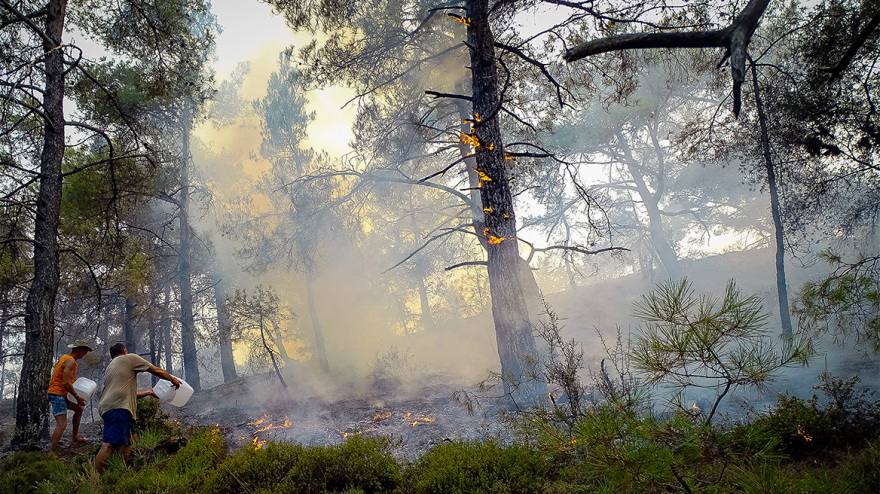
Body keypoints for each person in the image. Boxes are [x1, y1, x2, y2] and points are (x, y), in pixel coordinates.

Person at [94, 343, 180, 474]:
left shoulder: (111, 367)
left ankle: (119, 472)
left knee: (130, 440)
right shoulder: (129, 358)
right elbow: (155, 370)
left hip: (113, 406)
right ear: (124, 351)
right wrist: (172, 379)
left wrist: (149, 392)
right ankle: (96, 479)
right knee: (108, 445)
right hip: (118, 407)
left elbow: (127, 393)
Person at [47, 339, 93, 453]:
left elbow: (68, 380)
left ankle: (75, 437)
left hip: (63, 393)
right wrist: (77, 396)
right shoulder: (70, 361)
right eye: (85, 352)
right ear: (80, 350)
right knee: (62, 424)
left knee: (79, 409)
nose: (85, 354)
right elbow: (65, 382)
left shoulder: (66, 358)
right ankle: (51, 453)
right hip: (57, 394)